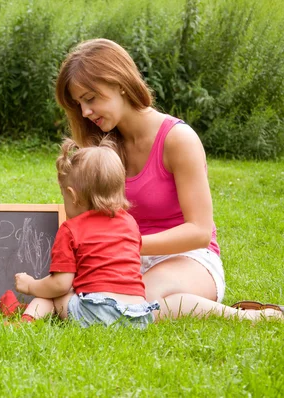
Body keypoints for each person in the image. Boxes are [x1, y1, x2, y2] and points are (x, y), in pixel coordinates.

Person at [52, 38, 282, 320]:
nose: (85, 112)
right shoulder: (100, 145)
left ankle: (248, 318)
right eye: (79, 104)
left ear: (120, 83)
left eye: (90, 98)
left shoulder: (177, 139)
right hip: (122, 260)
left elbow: (199, 231)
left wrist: (125, 244)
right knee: (72, 298)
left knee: (127, 305)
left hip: (188, 258)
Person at [2, 138, 159, 328]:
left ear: (73, 196)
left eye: (63, 195)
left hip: (97, 313)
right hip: (138, 315)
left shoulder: (71, 229)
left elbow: (60, 284)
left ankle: (25, 320)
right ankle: (32, 309)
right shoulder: (130, 223)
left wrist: (31, 285)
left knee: (54, 295)